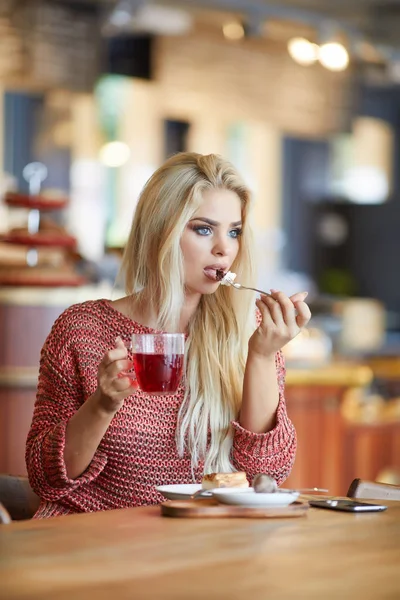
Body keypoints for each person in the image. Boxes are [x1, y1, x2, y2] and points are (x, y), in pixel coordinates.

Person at [26, 152, 311, 518]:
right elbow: (44, 478)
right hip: (92, 546)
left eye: (234, 231)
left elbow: (267, 474)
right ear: (162, 230)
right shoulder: (83, 329)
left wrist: (261, 356)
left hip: (198, 547)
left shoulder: (251, 331)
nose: (224, 248)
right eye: (204, 229)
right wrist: (103, 403)